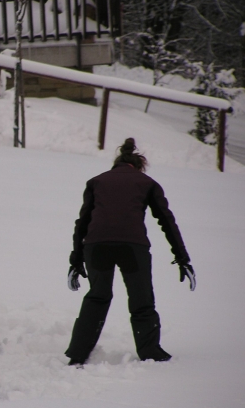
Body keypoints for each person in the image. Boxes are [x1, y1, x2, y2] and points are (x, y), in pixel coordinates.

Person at [65, 138, 196, 366]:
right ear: (138, 165)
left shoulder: (96, 182)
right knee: (141, 300)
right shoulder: (147, 183)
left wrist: (76, 260)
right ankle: (151, 353)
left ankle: (77, 354)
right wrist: (182, 257)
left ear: (116, 164)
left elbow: (82, 223)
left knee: (97, 297)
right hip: (133, 248)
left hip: (97, 246)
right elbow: (167, 221)